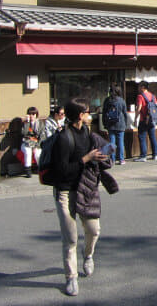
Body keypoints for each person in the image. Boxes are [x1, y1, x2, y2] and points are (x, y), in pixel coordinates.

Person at [52, 98, 110, 296]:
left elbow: (102, 151)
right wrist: (86, 158)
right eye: (87, 112)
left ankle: (88, 256)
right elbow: (61, 171)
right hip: (65, 190)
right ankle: (71, 278)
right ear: (80, 115)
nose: (90, 114)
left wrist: (102, 156)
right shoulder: (63, 138)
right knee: (70, 237)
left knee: (94, 230)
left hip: (85, 188)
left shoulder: (88, 134)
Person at [102, 85, 128, 164]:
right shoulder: (121, 100)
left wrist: (104, 123)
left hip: (110, 124)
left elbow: (104, 113)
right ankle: (121, 159)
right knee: (120, 142)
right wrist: (125, 123)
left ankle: (112, 159)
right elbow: (125, 113)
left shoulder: (107, 100)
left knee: (112, 142)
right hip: (120, 123)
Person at [133, 81, 157, 161]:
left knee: (142, 137)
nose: (138, 88)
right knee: (152, 137)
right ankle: (155, 155)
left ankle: (143, 156)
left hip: (143, 120)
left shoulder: (140, 97)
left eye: (139, 86)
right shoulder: (153, 96)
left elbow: (139, 108)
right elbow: (155, 107)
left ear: (143, 87)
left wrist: (135, 119)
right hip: (152, 120)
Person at [21, 106, 44, 178]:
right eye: (30, 114)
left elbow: (42, 137)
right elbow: (24, 133)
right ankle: (28, 171)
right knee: (28, 152)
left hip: (37, 143)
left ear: (36, 115)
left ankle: (41, 169)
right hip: (26, 142)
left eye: (33, 114)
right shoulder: (25, 123)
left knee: (37, 153)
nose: (32, 116)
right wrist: (27, 123)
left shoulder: (40, 123)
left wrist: (36, 146)